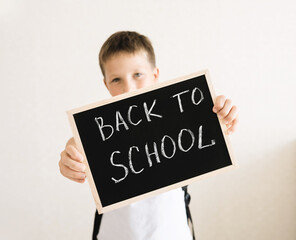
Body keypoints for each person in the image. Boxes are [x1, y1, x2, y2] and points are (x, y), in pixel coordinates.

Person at [59, 31, 238, 240]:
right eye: (117, 79)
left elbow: (210, 138)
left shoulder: (179, 119)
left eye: (138, 75)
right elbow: (76, 147)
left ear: (155, 75)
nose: (129, 88)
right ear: (106, 84)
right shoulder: (99, 133)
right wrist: (70, 160)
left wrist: (222, 117)